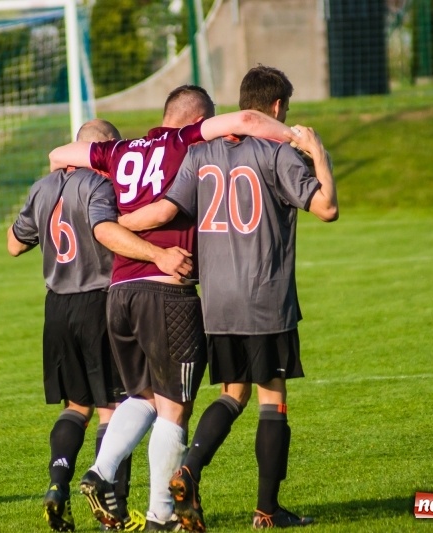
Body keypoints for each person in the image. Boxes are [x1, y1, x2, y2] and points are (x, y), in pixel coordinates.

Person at [49, 86, 296, 531]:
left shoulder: (118, 149)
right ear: (194, 119)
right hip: (166, 292)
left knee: (141, 396)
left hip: (120, 292)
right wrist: (295, 136)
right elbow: (246, 121)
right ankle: (162, 513)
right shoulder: (182, 142)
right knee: (174, 407)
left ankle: (98, 472)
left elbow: (58, 154)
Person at [118, 66, 338, 531]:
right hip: (265, 297)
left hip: (216, 303)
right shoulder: (278, 153)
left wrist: (116, 227)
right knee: (272, 399)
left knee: (231, 393)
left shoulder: (199, 155)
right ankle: (266, 510)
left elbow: (163, 210)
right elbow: (326, 208)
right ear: (277, 108)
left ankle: (188, 471)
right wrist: (318, 154)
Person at [8, 118, 194, 533]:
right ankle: (114, 510)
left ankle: (57, 486)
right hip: (98, 300)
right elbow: (109, 230)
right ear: (102, 150)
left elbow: (13, 244)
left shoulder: (42, 187)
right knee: (115, 405)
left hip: (56, 307)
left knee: (76, 407)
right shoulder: (101, 186)